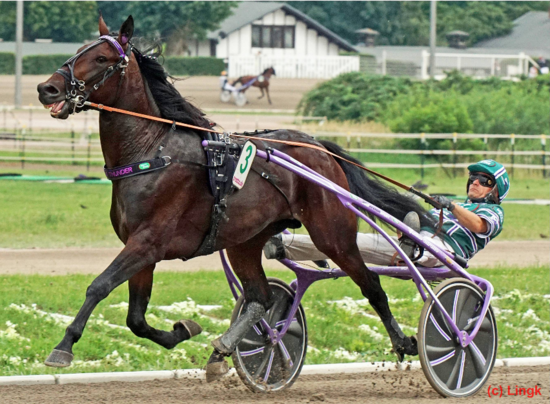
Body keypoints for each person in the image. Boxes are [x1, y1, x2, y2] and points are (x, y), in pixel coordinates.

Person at [264, 160, 510, 267]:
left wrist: (451, 207)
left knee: (419, 238)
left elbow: (479, 226)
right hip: (415, 240)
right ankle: (281, 244)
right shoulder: (459, 204)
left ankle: (414, 246)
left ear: (496, 191)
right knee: (347, 243)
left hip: (447, 252)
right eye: (473, 178)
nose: (475, 182)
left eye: (484, 180)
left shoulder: (494, 211)